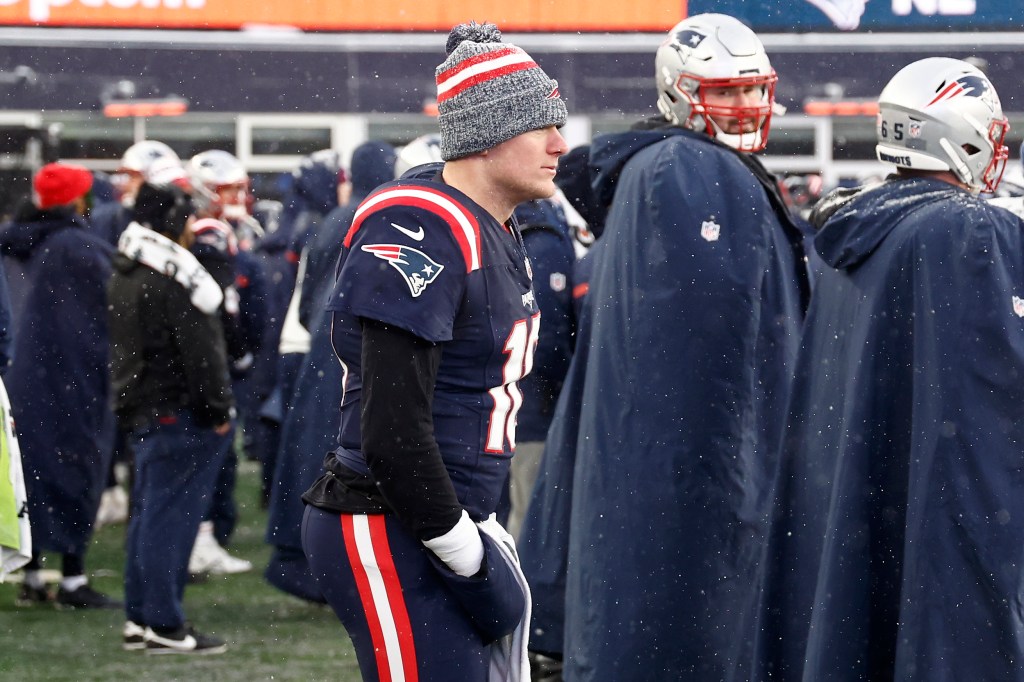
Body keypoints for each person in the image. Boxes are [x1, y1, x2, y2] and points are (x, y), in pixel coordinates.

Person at [301, 21, 568, 681]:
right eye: (542, 125)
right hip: (392, 518)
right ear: (488, 132)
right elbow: (391, 428)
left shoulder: (493, 220)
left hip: (440, 511)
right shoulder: (420, 222)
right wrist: (459, 545)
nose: (560, 144)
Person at [546, 14, 809, 681]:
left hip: (658, 467)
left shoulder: (673, 167)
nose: (747, 105)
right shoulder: (688, 171)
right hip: (688, 473)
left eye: (754, 89)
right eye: (726, 91)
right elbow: (717, 363)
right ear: (682, 92)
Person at [760, 57, 1024, 681]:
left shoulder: (857, 235)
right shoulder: (969, 230)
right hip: (945, 538)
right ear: (957, 135)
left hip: (862, 523)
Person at [264, 140, 395, 604]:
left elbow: (308, 299)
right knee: (335, 461)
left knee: (309, 457)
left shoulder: (333, 222)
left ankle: (297, 558)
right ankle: (314, 567)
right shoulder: (378, 218)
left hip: (323, 346)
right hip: (345, 351)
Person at [109, 182, 235, 654]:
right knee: (170, 519)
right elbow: (201, 355)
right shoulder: (173, 280)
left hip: (145, 407)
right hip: (175, 412)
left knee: (148, 515)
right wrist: (217, 410)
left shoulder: (127, 271)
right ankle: (163, 622)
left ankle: (142, 618)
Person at [1, 162, 120, 610]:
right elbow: (114, 316)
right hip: (75, 381)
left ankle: (30, 573)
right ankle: (72, 578)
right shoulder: (81, 249)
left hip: (17, 382)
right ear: (78, 200)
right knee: (76, 472)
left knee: (26, 477)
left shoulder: (14, 243)